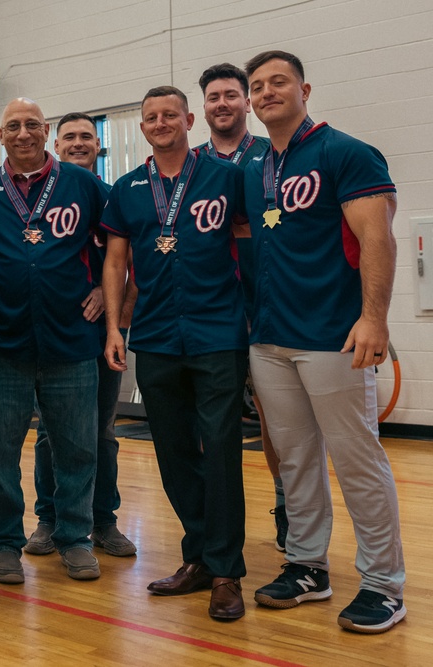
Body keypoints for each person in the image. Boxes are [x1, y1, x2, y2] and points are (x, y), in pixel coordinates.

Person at [244, 50, 406, 634]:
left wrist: (375, 319)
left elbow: (378, 237)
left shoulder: (346, 152)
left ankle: (384, 585)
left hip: (334, 338)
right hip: (269, 341)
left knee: (358, 460)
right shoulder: (255, 165)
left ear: (304, 88)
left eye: (278, 81)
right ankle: (308, 566)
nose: (266, 92)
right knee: (295, 461)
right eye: (257, 85)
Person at [102, 86, 248, 621]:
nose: (161, 123)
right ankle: (200, 557)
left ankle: (227, 570)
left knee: (222, 450)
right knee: (174, 452)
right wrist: (116, 328)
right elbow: (116, 264)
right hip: (156, 335)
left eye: (170, 115)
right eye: (150, 117)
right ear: (141, 127)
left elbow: (253, 234)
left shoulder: (226, 177)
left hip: (217, 334)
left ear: (189, 119)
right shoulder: (127, 188)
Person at [0, 98, 108, 584]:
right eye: (13, 126)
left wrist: (107, 293)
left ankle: (74, 538)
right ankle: (3, 543)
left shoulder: (84, 185)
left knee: (77, 450)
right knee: (0, 452)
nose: (23, 133)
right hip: (2, 342)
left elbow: (120, 246)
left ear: (46, 131)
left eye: (32, 125)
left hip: (71, 339)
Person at [25, 112, 138, 560]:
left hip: (100, 333)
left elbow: (131, 262)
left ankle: (102, 520)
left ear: (98, 144)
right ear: (55, 141)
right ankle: (49, 518)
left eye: (86, 137)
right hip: (51, 334)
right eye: (68, 136)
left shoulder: (115, 196)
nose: (77, 143)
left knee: (102, 431)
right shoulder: (40, 193)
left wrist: (110, 303)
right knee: (50, 432)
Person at [198, 63, 288, 552]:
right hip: (210, 312)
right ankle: (211, 522)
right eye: (214, 97)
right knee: (207, 426)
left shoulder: (270, 156)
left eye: (232, 95)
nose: (223, 104)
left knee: (275, 421)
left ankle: (285, 505)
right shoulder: (189, 164)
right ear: (203, 108)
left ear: (246, 102)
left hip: (268, 306)